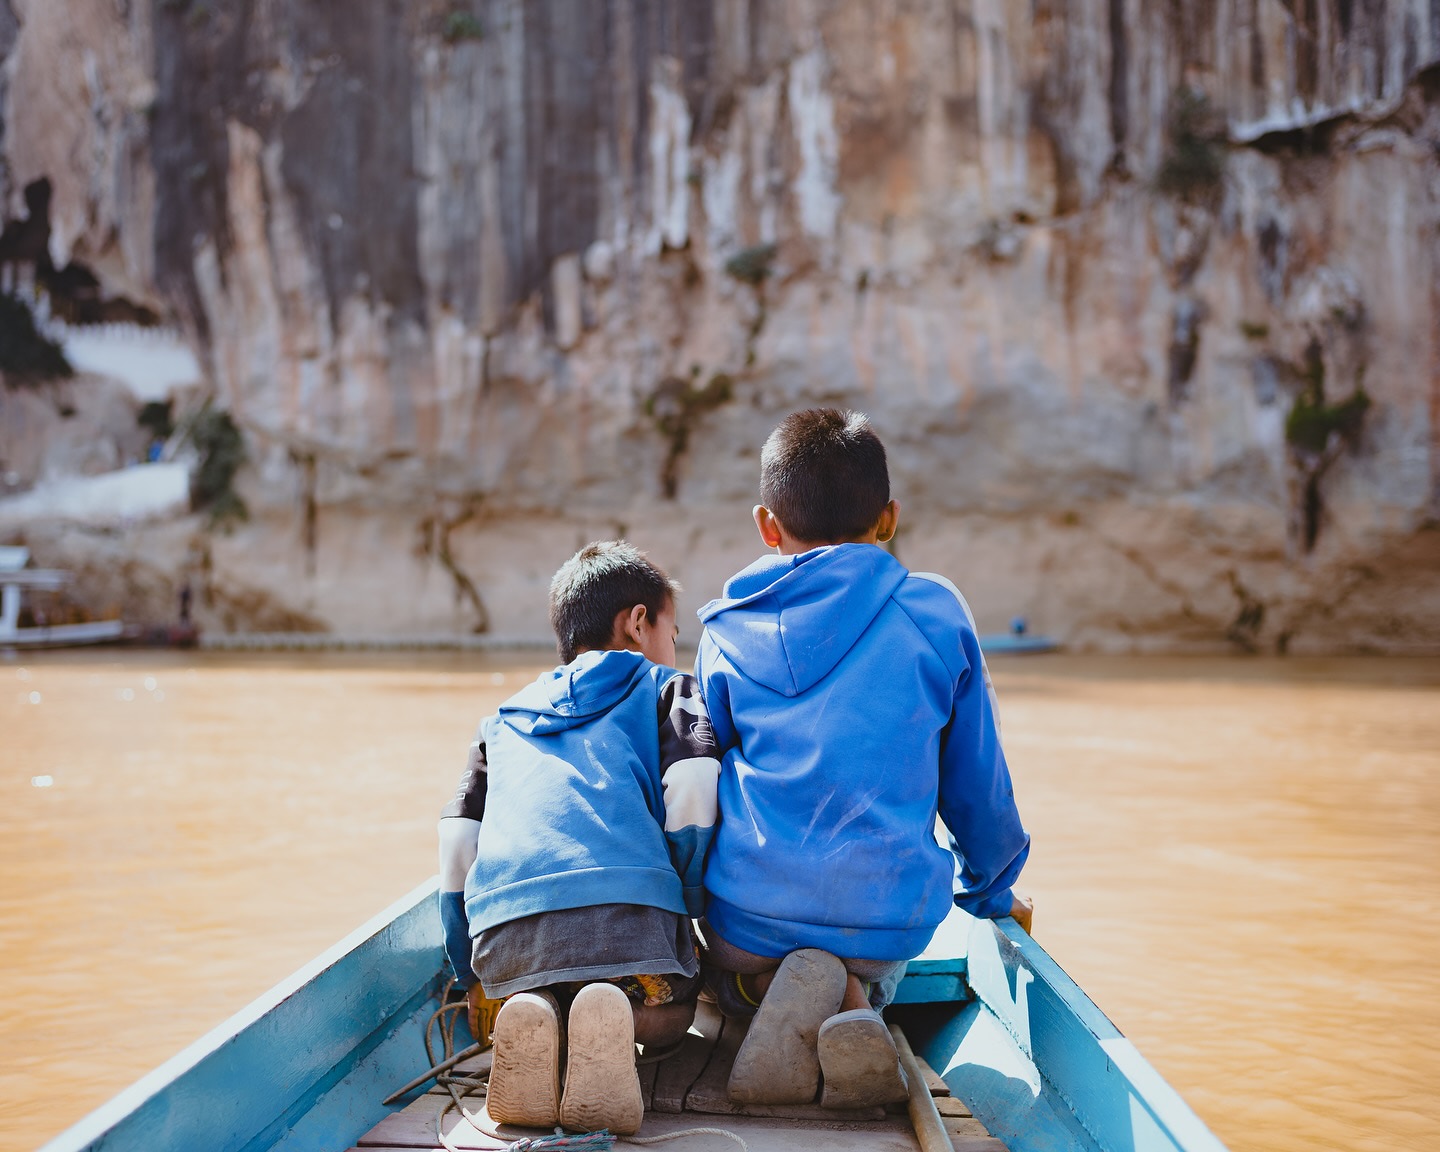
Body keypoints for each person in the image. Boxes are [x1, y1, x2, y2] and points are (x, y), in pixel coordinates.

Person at [694, 408, 1031, 1110]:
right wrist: (992, 892)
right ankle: (857, 998)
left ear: (767, 526)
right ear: (889, 519)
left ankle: (755, 990)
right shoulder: (935, 615)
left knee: (724, 970)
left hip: (747, 921)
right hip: (879, 924)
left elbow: (699, 785)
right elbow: (977, 789)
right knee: (881, 958)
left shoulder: (722, 632)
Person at [437, 541, 720, 1134]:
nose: (674, 649)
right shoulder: (667, 689)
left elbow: (458, 843)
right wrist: (690, 899)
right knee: (680, 1007)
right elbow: (694, 785)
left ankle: (538, 1013)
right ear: (638, 623)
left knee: (541, 985)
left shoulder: (500, 721)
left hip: (510, 947)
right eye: (671, 633)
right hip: (631, 936)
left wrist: (469, 973)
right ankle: (618, 1021)